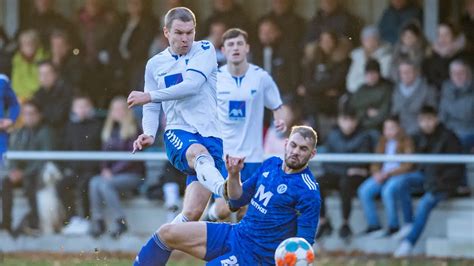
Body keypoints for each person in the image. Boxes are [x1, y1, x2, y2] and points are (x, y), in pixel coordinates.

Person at [133, 126, 321, 266]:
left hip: (256, 258)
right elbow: (237, 199)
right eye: (294, 145)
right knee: (167, 233)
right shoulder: (271, 164)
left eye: (303, 149)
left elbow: (303, 246)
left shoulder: (308, 191)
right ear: (286, 143)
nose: (296, 151)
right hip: (237, 234)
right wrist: (233, 175)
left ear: (312, 154)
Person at [127, 7, 228, 224]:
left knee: (195, 213)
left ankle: (157, 246)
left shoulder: (204, 49)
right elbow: (152, 107)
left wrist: (150, 96)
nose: (185, 39)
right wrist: (149, 133)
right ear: (166, 32)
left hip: (211, 135)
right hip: (178, 133)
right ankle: (222, 187)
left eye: (189, 32)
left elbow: (191, 86)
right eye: (179, 33)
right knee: (200, 154)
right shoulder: (155, 64)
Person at [206, 28, 286, 221]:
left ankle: (239, 250)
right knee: (224, 210)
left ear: (247, 48)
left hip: (252, 157)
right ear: (223, 50)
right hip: (224, 155)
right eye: (231, 45)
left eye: (239, 44)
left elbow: (276, 104)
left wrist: (279, 118)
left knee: (246, 213)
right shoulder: (215, 79)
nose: (235, 48)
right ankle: (208, 217)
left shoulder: (261, 77)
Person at [393, 106, 464, 257]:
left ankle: (408, 242)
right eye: (423, 120)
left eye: (429, 119)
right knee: (402, 182)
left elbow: (456, 169)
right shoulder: (418, 137)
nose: (426, 123)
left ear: (436, 119)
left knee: (425, 203)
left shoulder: (449, 137)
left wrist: (436, 185)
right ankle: (408, 223)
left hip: (444, 184)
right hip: (427, 179)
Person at [88, 97, 144, 238]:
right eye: (115, 109)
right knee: (94, 182)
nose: (118, 112)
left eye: (121, 109)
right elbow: (104, 156)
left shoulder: (135, 129)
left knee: (105, 185)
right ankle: (98, 220)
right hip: (113, 175)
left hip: (133, 174)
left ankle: (121, 221)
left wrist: (112, 172)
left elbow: (131, 157)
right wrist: (105, 169)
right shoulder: (109, 131)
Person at [316, 108, 372, 239]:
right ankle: (323, 221)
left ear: (356, 121)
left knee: (345, 182)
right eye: (345, 120)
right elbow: (327, 163)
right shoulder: (332, 136)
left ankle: (345, 223)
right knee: (316, 183)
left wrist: (349, 170)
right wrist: (346, 169)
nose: (348, 124)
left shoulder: (364, 136)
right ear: (339, 121)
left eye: (352, 120)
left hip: (355, 177)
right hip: (341, 173)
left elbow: (363, 163)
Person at [0, 100, 53, 235]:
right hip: (21, 174)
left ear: (39, 115)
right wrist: (14, 171)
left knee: (30, 183)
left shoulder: (45, 132)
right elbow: (13, 154)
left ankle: (34, 223)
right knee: (6, 182)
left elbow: (44, 159)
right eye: (25, 114)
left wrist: (24, 173)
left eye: (32, 113)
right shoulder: (20, 132)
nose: (28, 117)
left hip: (36, 174)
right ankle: (6, 223)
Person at [357, 116, 414, 236]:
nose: (389, 131)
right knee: (364, 191)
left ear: (399, 128)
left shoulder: (407, 140)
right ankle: (374, 225)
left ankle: (394, 226)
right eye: (386, 128)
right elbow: (376, 162)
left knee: (388, 191)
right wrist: (376, 172)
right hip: (382, 175)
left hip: (398, 174)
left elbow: (408, 165)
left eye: (392, 128)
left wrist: (388, 173)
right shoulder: (382, 141)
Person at [57, 95, 102, 235]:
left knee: (85, 185)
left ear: (90, 108)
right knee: (61, 185)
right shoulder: (69, 127)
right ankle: (74, 218)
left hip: (93, 170)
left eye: (85, 106)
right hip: (74, 170)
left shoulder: (97, 125)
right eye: (78, 106)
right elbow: (65, 148)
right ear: (73, 109)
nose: (82, 110)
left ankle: (87, 220)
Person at [253, 17, 300, 100]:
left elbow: (294, 77)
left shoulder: (288, 50)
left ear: (278, 32)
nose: (265, 35)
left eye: (269, 32)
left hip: (282, 93)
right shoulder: (254, 51)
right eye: (262, 32)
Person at [32, 60, 73, 149]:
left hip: (63, 135)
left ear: (55, 75)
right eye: (41, 74)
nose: (44, 77)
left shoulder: (66, 91)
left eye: (47, 73)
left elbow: (57, 117)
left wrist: (40, 116)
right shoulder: (37, 94)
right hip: (43, 134)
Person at [391, 59, 438, 135]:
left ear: (416, 72)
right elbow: (394, 112)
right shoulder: (396, 90)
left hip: (420, 131)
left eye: (408, 72)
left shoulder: (428, 89)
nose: (405, 75)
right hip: (399, 130)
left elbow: (431, 115)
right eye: (402, 72)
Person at [439, 59, 474, 153]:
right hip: (450, 133)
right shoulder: (446, 89)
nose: (458, 76)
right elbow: (442, 116)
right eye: (454, 73)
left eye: (461, 72)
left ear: (469, 73)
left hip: (470, 133)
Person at [348, 59, 393, 131]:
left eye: (373, 73)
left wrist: (364, 123)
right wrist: (365, 112)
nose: (370, 77)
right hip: (357, 126)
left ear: (379, 74)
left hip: (377, 128)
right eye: (368, 74)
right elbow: (352, 109)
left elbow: (383, 114)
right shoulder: (361, 90)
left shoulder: (386, 89)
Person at [346, 25, 392, 93]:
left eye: (373, 39)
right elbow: (350, 82)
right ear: (362, 41)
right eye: (367, 40)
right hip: (357, 94)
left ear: (379, 41)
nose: (370, 43)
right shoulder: (357, 56)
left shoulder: (387, 58)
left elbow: (382, 78)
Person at [423, 22, 468, 90]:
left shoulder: (463, 56)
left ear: (454, 36)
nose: (442, 38)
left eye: (446, 34)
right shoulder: (430, 55)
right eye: (439, 35)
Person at [11, 30, 49, 101]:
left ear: (36, 44)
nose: (26, 47)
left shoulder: (44, 59)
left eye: (29, 43)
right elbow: (15, 85)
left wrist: (27, 96)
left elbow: (38, 85)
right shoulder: (17, 59)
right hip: (21, 98)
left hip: (39, 99)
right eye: (23, 44)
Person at [0, 74, 20, 161]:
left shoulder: (2, 80)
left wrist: (11, 119)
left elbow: (14, 104)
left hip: (1, 135)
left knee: (2, 168)